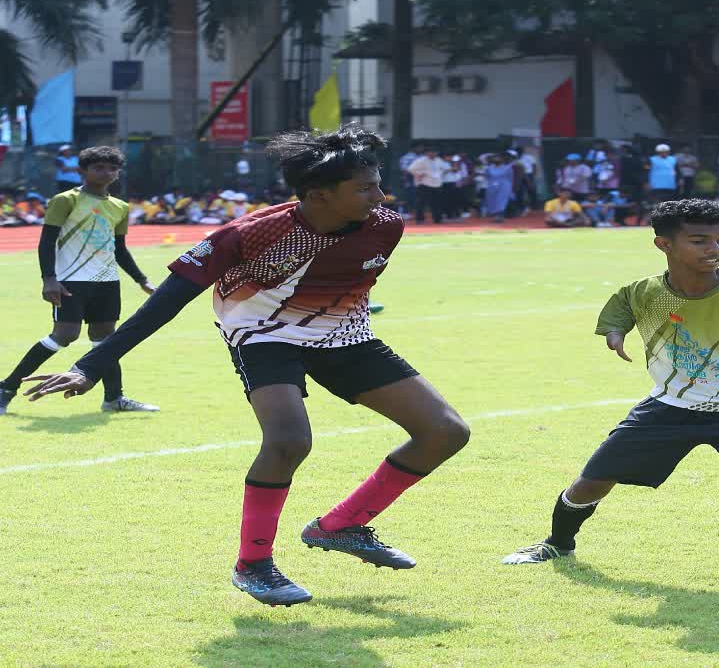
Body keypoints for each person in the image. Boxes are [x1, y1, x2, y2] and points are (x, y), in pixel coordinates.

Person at [20, 126, 471, 607]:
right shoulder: (251, 234)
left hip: (342, 334)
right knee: (289, 440)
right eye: (364, 188)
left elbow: (341, 276)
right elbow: (165, 305)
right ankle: (253, 565)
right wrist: (90, 366)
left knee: (445, 431)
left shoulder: (385, 224)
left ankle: (342, 524)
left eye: (377, 183)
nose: (380, 195)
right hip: (263, 333)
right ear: (319, 195)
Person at [501, 198, 719, 567]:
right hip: (672, 405)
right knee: (592, 481)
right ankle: (558, 543)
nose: (714, 249)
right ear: (664, 244)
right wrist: (616, 334)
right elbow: (620, 314)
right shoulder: (641, 292)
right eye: (699, 240)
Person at [0, 146, 158, 416]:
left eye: (112, 168)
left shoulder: (120, 207)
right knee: (65, 335)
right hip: (71, 280)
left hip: (108, 281)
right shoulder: (66, 200)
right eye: (98, 167)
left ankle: (114, 398)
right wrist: (48, 278)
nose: (106, 172)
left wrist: (141, 280)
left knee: (106, 340)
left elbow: (118, 248)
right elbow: (47, 240)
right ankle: (6, 388)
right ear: (81, 171)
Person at [406, 148, 448, 223]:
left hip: (437, 184)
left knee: (436, 203)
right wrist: (419, 174)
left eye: (434, 152)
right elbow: (410, 169)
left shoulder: (438, 160)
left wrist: (441, 174)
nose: (433, 154)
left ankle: (437, 219)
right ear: (427, 153)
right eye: (431, 152)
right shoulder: (421, 160)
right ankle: (419, 219)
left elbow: (446, 168)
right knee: (421, 203)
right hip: (424, 184)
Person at [483, 153, 514, 222]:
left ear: (502, 159)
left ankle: (500, 216)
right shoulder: (488, 168)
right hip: (492, 186)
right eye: (495, 158)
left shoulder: (507, 167)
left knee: (501, 201)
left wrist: (510, 187)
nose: (497, 159)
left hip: (504, 186)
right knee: (492, 201)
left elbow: (510, 177)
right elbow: (487, 177)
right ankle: (495, 216)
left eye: (498, 158)